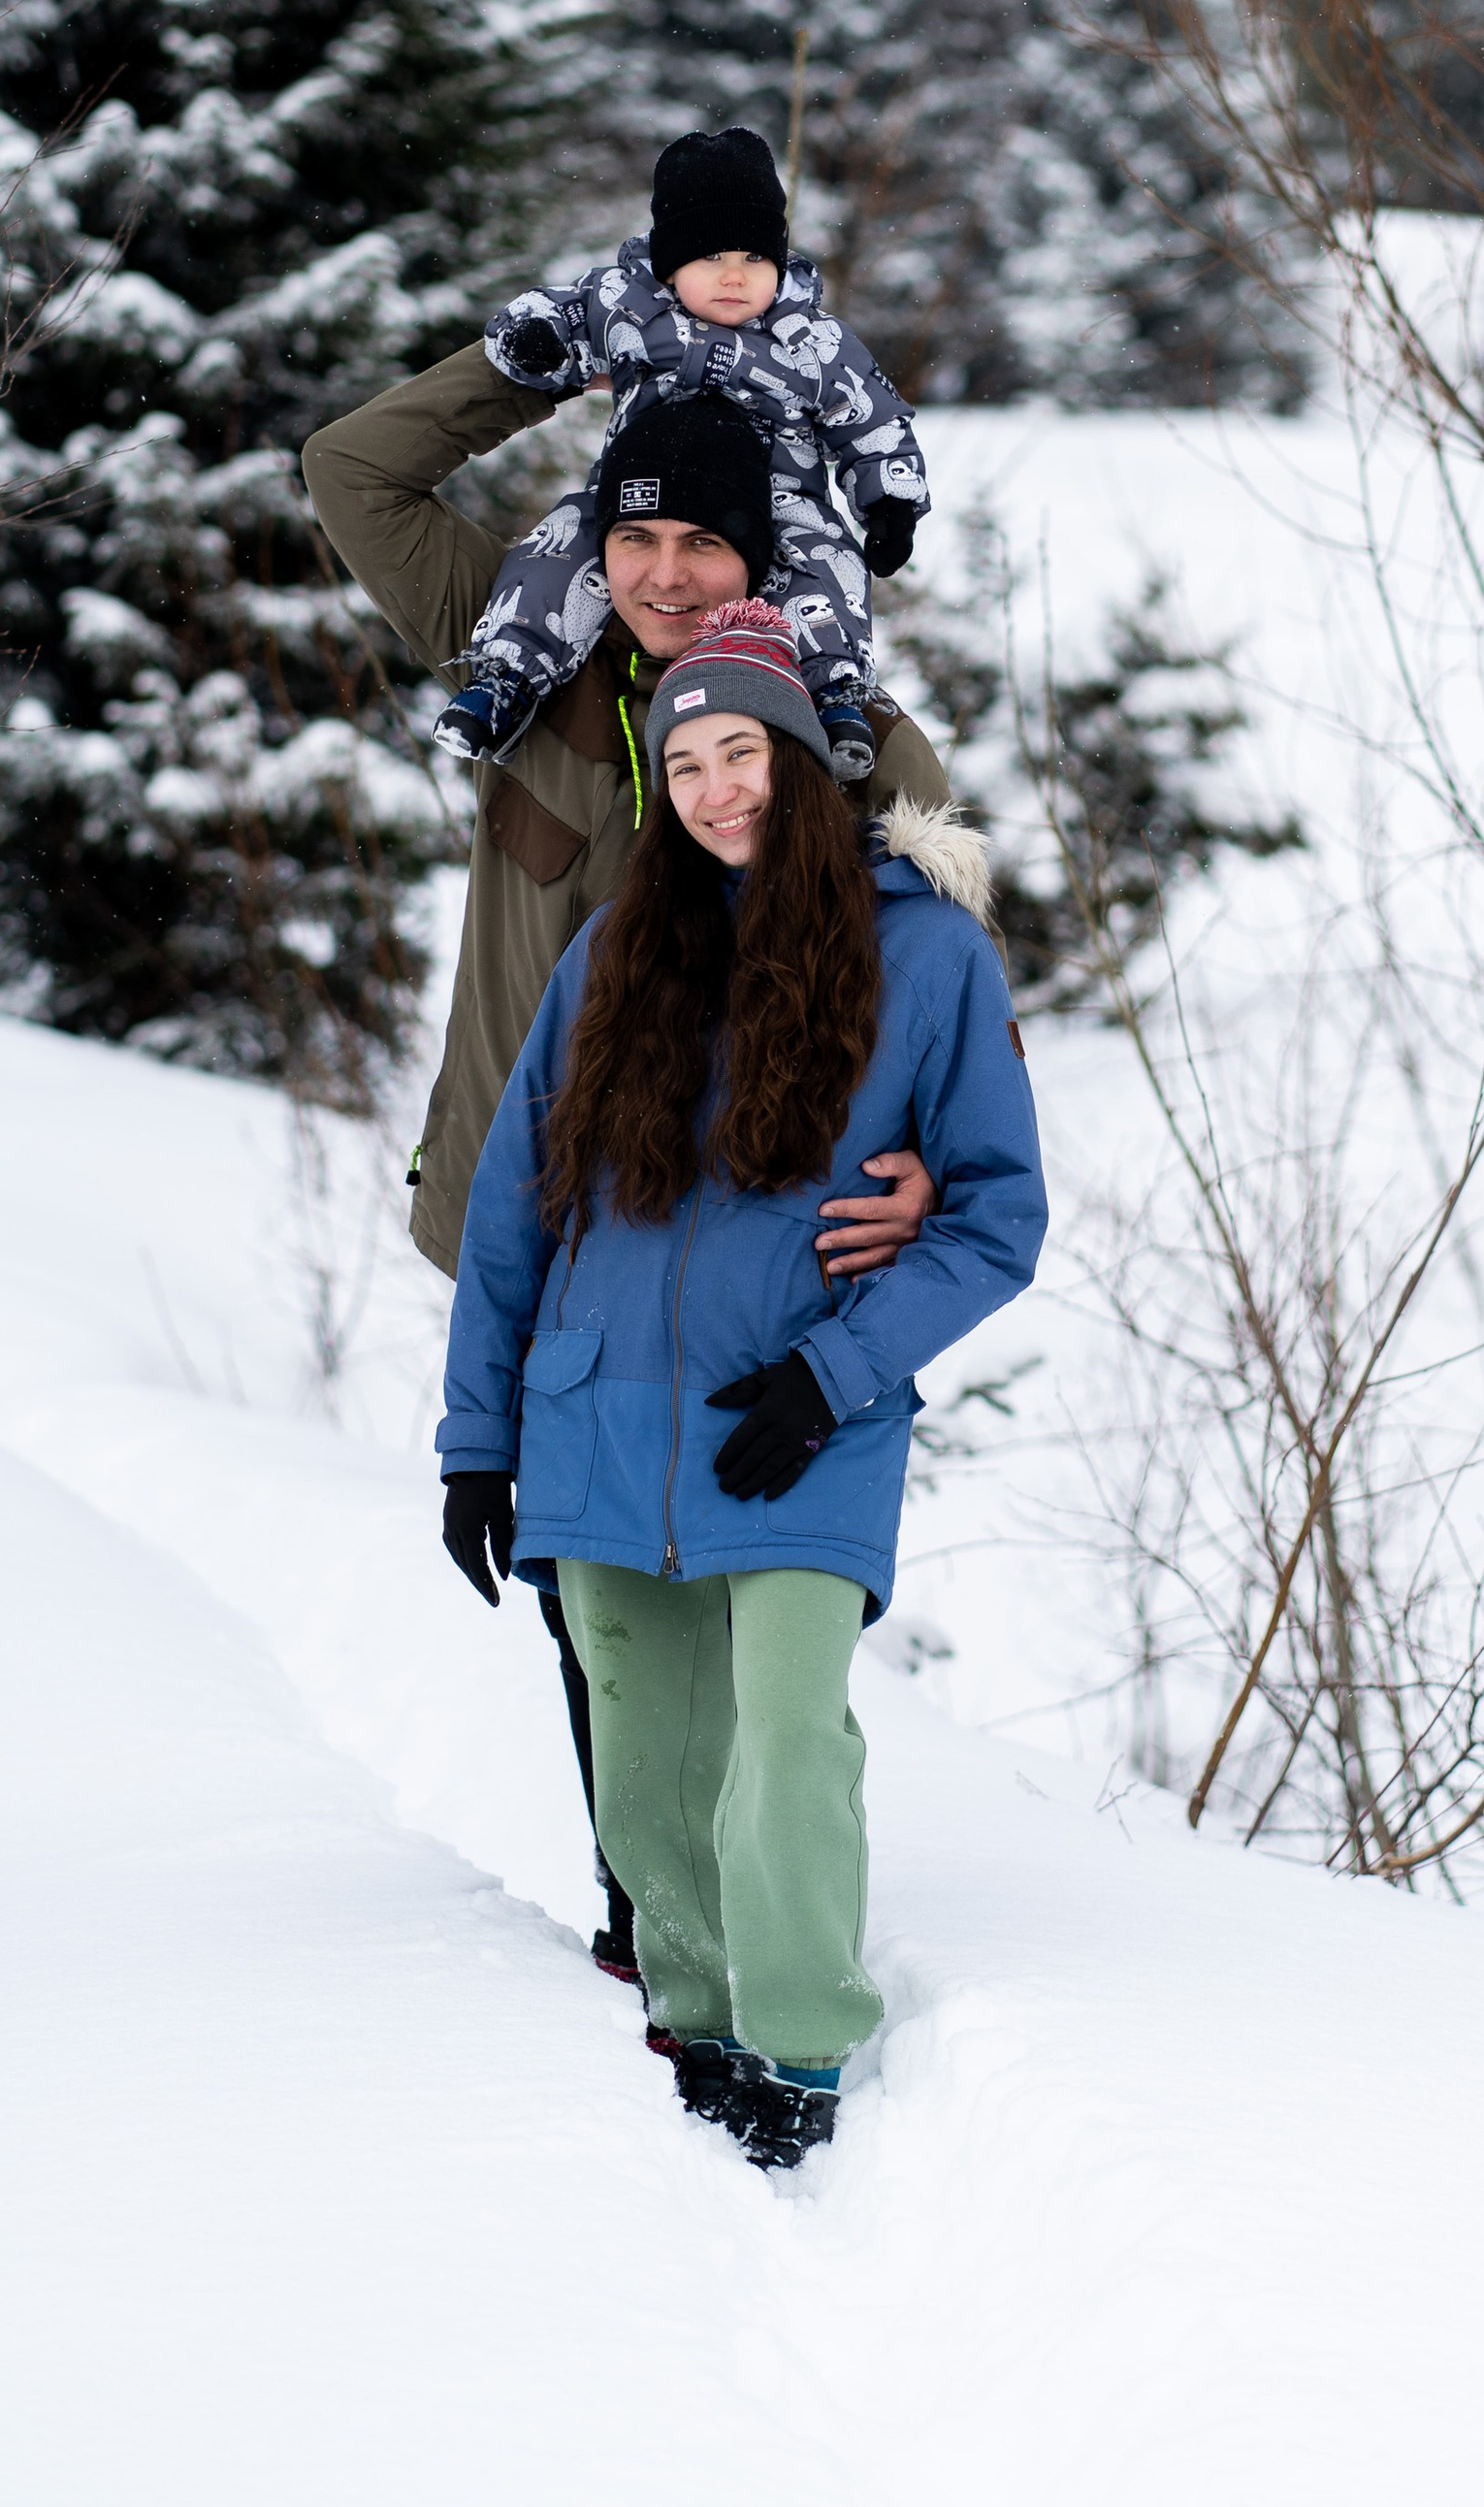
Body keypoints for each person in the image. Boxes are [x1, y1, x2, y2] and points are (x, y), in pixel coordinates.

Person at [300, 353, 950, 1975]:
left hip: (760, 1259)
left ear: (765, 553)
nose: (665, 575)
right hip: (537, 1229)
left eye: (704, 543)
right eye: (634, 537)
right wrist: (560, 352)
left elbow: (947, 1007)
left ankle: (735, 1912)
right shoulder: (520, 657)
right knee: (587, 1594)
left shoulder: (857, 744)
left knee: (737, 1575)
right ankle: (651, 1904)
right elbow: (353, 467)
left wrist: (931, 1178)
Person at [437, 599, 1045, 2169]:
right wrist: (477, 1444)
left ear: (803, 760)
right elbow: (512, 1215)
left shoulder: (927, 952)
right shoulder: (611, 953)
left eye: (743, 753)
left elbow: (996, 1217)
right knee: (643, 1761)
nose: (716, 789)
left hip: (800, 1417)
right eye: (686, 761)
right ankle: (697, 2018)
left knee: (784, 1742)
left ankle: (801, 2037)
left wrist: (834, 1374)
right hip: (596, 1415)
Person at [436, 125, 928, 783]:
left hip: (777, 498)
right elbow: (557, 313)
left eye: (755, 258)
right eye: (711, 256)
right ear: (670, 262)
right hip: (639, 490)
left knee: (822, 564)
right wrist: (535, 342)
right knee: (563, 546)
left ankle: (834, 692)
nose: (734, 275)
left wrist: (891, 501)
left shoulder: (811, 339)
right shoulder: (630, 308)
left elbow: (871, 417)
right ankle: (508, 676)